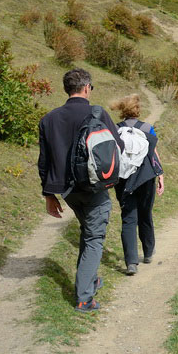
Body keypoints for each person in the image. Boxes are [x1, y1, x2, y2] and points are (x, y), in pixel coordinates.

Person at [38, 68, 123, 313]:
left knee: (88, 231)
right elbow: (117, 146)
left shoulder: (49, 119)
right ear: (87, 88)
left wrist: (49, 195)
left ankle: (89, 280)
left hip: (67, 190)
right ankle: (85, 297)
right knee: (94, 238)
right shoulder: (97, 113)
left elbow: (44, 161)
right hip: (95, 187)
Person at [111, 94, 164, 276]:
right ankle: (148, 252)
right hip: (145, 177)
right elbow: (153, 154)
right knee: (145, 213)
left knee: (128, 217)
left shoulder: (115, 130)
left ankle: (131, 262)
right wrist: (160, 176)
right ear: (138, 110)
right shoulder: (147, 128)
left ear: (122, 110)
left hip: (123, 180)